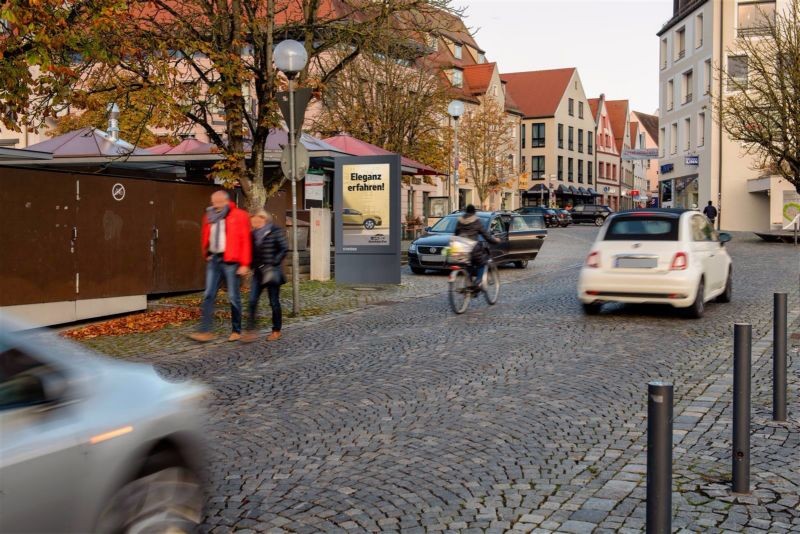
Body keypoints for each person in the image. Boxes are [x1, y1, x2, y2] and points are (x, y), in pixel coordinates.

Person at [189, 191, 251, 343]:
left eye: (218, 202)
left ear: (225, 201)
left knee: (233, 297)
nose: (215, 204)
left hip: (231, 261)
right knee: (209, 294)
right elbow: (205, 235)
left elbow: (245, 240)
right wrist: (206, 253)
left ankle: (236, 330)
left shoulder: (238, 215)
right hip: (214, 259)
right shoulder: (209, 215)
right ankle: (205, 331)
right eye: (213, 201)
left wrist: (244, 264)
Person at [243, 210, 288, 343]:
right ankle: (251, 330)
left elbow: (284, 248)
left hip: (272, 272)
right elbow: (251, 253)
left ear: (264, 219)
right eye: (253, 220)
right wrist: (247, 266)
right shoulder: (252, 234)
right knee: (252, 301)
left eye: (257, 220)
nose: (254, 222)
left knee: (273, 302)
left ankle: (276, 330)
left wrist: (274, 262)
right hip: (258, 272)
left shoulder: (275, 231)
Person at [454, 205, 500, 288]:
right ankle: (478, 282)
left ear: (466, 211)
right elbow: (486, 235)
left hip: (460, 247)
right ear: (474, 212)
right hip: (472, 247)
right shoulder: (476, 221)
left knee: (467, 264)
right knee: (482, 262)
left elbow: (456, 234)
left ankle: (469, 284)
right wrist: (495, 241)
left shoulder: (459, 221)